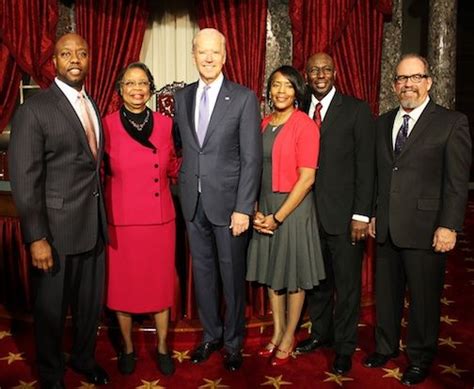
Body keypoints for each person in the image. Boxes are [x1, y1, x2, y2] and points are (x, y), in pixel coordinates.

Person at [363, 54, 472, 386]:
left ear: (429, 81)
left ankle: (420, 356)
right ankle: (385, 346)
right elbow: (377, 176)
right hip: (387, 225)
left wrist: (449, 225)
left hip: (428, 229)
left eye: (415, 77)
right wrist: (371, 214)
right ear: (394, 85)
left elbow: (456, 180)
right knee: (387, 293)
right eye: (401, 79)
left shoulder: (452, 122)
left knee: (424, 299)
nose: (407, 84)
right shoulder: (382, 122)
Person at [8, 33, 109, 389]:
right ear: (54, 62)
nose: (75, 59)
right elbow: (25, 178)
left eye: (82, 52)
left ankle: (83, 358)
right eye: (66, 53)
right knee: (51, 312)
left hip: (93, 228)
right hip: (55, 233)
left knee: (88, 307)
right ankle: (51, 375)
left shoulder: (92, 104)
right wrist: (36, 238)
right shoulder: (34, 110)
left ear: (90, 58)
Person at [173, 28, 262, 371]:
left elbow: (251, 159)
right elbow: (185, 146)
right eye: (202, 52)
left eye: (215, 53)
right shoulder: (182, 97)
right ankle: (210, 335)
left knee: (231, 276)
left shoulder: (243, 98)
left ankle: (233, 341)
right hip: (193, 205)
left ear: (225, 57)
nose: (208, 58)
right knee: (205, 275)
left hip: (229, 209)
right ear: (193, 55)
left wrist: (243, 207)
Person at [295, 52, 375, 375]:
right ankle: (321, 333)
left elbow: (366, 167)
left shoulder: (356, 110)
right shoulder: (299, 110)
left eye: (325, 69)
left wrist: (361, 214)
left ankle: (344, 347)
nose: (319, 74)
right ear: (307, 75)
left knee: (347, 285)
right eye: (314, 70)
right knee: (318, 282)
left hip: (344, 218)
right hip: (307, 216)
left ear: (335, 72)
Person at [103, 62, 180, 376]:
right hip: (121, 220)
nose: (137, 90)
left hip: (160, 221)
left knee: (160, 288)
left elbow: (173, 164)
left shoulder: (165, 124)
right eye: (130, 84)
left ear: (151, 88)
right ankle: (128, 349)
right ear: (121, 90)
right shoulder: (105, 125)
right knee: (122, 289)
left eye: (143, 83)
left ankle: (163, 347)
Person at [246, 65, 325, 366]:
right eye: (276, 85)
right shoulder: (264, 123)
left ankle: (290, 334)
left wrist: (277, 217)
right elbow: (252, 169)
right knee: (271, 272)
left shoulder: (305, 125)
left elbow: (307, 179)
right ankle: (277, 331)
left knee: (293, 275)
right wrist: (254, 209)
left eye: (288, 86)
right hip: (264, 206)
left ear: (297, 92)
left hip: (292, 208)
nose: (281, 91)